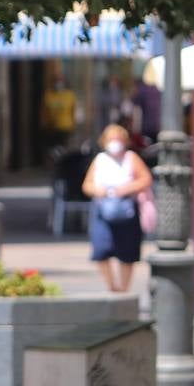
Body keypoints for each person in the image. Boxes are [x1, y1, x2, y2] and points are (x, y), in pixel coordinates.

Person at [83, 124, 153, 293]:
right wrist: (100, 191)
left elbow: (146, 179)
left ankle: (124, 289)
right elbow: (87, 185)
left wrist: (125, 189)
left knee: (127, 253)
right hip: (103, 209)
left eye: (118, 139)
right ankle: (112, 287)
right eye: (111, 139)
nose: (115, 143)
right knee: (101, 250)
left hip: (127, 209)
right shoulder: (100, 159)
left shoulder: (131, 158)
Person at [40, 72, 78, 152]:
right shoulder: (48, 95)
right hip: (52, 128)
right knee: (53, 150)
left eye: (60, 80)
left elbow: (73, 111)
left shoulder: (69, 95)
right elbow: (44, 112)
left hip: (66, 127)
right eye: (56, 80)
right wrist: (44, 125)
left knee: (64, 149)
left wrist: (74, 125)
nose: (58, 83)